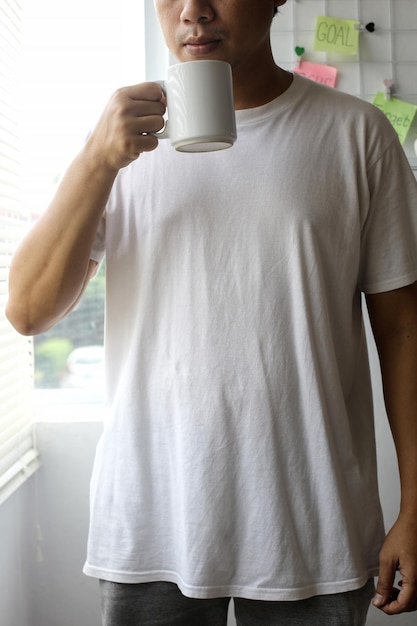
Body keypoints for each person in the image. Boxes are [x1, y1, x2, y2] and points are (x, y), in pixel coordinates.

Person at [6, 1, 417, 624]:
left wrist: (415, 507)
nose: (194, 9)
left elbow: (404, 333)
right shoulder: (115, 146)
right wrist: (96, 160)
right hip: (150, 530)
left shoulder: (356, 133)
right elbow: (28, 311)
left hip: (312, 529)